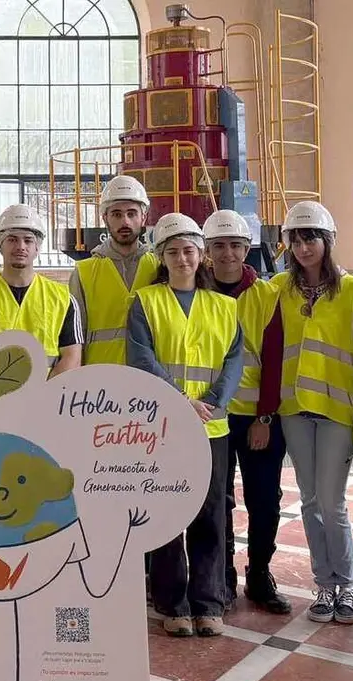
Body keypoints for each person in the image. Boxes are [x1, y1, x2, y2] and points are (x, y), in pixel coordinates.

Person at [127, 213, 243, 638]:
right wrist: (179, 402)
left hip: (211, 427)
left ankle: (208, 602)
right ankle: (171, 602)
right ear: (161, 256)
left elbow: (234, 362)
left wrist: (211, 402)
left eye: (189, 251)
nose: (182, 258)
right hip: (161, 425)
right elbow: (141, 357)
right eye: (173, 251)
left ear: (202, 256)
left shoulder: (226, 307)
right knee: (165, 513)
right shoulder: (145, 301)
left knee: (211, 513)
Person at [273, 201, 353, 626]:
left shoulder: (351, 291)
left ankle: (347, 584)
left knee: (332, 503)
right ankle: (324, 584)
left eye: (310, 237)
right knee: (309, 501)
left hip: (336, 410)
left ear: (327, 242)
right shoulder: (280, 288)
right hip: (294, 408)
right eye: (295, 239)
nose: (303, 247)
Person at [204, 210, 292, 615]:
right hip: (211, 418)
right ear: (207, 251)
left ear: (247, 249)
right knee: (217, 502)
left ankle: (259, 573)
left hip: (256, 418)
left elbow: (274, 360)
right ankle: (221, 579)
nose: (227, 253)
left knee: (264, 500)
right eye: (218, 245)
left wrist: (265, 417)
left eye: (235, 245)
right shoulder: (194, 295)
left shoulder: (266, 296)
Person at [0, 204, 82, 376]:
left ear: (37, 248)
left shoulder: (62, 299)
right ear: (0, 245)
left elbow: (72, 357)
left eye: (28, 240)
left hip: (48, 399)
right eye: (12, 239)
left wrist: (46, 394)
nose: (21, 246)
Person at [69, 175, 159, 364]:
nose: (125, 222)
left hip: (150, 379)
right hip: (101, 379)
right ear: (105, 218)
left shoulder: (158, 267)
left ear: (143, 217)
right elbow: (74, 337)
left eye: (131, 214)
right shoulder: (84, 271)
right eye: (117, 214)